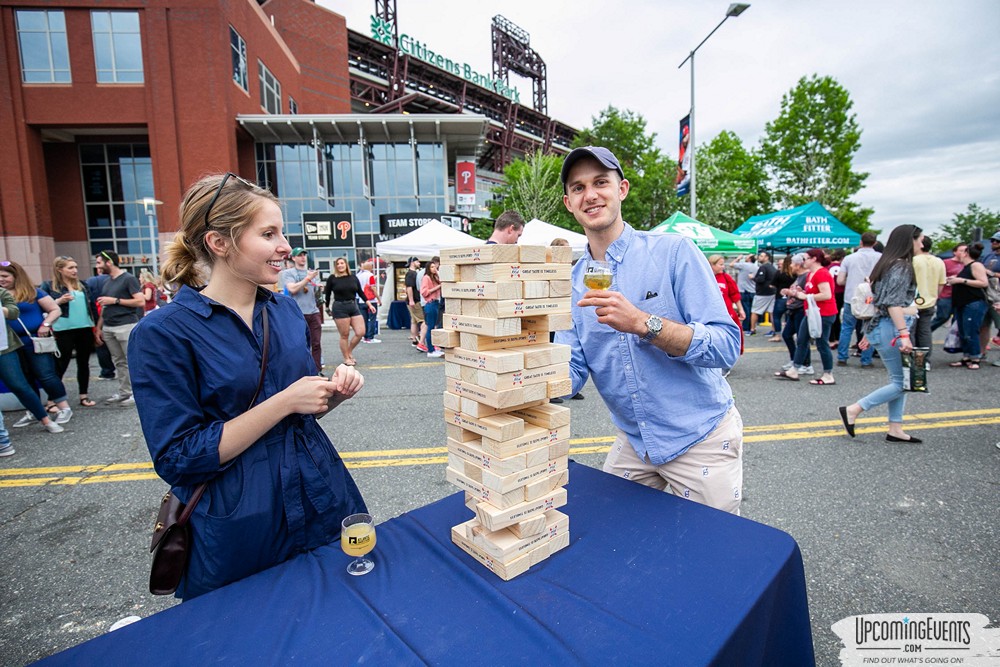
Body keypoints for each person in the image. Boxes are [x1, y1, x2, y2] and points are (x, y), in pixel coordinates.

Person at [128, 173, 368, 600]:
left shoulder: (285, 311)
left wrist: (331, 395)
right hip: (238, 518)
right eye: (269, 233)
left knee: (341, 611)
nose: (285, 245)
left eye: (283, 232)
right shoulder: (163, 332)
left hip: (319, 493)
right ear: (220, 242)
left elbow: (299, 405)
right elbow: (179, 457)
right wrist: (283, 402)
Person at [554, 146, 743, 514]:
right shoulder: (572, 282)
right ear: (568, 203)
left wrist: (644, 324)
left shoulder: (673, 252)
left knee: (710, 555)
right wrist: (511, 371)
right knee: (615, 540)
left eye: (600, 183)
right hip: (636, 442)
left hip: (700, 436)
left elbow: (725, 345)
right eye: (578, 188)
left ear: (621, 189)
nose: (590, 194)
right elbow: (572, 372)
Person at [839, 225, 924, 443]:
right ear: (909, 241)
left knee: (901, 379)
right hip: (894, 327)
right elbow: (892, 303)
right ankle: (855, 409)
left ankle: (895, 427)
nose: (921, 245)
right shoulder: (902, 266)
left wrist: (871, 333)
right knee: (905, 381)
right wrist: (904, 334)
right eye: (919, 240)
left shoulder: (886, 264)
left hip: (885, 326)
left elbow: (879, 301)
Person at [0, 261, 73, 428]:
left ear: (16, 276)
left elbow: (55, 309)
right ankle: (36, 411)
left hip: (34, 340)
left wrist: (45, 325)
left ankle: (64, 407)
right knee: (25, 379)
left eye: (5, 276)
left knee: (46, 374)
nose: (1, 279)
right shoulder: (1, 294)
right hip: (10, 344)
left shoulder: (33, 292)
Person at [1, 285, 63, 442]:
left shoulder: (2, 292)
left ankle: (45, 419)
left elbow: (14, 311)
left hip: (4, 347)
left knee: (19, 385)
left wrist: (3, 311)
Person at [773, 248, 837, 385]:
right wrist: (796, 293)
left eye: (806, 258)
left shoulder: (822, 273)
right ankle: (794, 370)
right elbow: (808, 292)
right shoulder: (811, 274)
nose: (804, 261)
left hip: (823, 313)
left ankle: (828, 374)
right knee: (802, 339)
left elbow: (827, 295)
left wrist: (806, 296)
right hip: (812, 312)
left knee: (822, 343)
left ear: (814, 259)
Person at [44, 256, 99, 407]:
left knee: (84, 363)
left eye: (75, 267)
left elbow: (93, 307)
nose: (75, 270)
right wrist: (59, 301)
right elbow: (43, 306)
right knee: (61, 365)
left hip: (85, 328)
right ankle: (52, 400)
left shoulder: (83, 285)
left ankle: (84, 395)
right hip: (63, 329)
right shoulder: (49, 286)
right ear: (59, 269)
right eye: (70, 268)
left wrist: (97, 327)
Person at [94, 250, 144, 404]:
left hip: (126, 325)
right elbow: (104, 306)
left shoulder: (128, 279)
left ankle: (137, 394)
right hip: (109, 327)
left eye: (99, 262)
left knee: (132, 361)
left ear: (109, 262)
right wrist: (99, 328)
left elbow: (140, 301)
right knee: (119, 362)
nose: (97, 266)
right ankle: (125, 392)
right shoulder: (107, 281)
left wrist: (115, 300)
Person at [836, 232, 881, 368]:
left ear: (861, 242)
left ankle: (842, 357)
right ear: (874, 243)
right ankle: (866, 359)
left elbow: (840, 280)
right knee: (869, 329)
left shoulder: (849, 258)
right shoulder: (881, 258)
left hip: (852, 297)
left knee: (847, 328)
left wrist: (851, 281)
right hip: (871, 297)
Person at [945, 242, 989, 369]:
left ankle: (975, 358)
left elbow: (983, 282)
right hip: (962, 303)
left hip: (974, 302)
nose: (958, 253)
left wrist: (961, 280)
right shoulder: (966, 267)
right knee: (963, 331)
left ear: (966, 253)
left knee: (971, 330)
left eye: (962, 251)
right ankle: (966, 357)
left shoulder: (976, 265)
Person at [324, 257, 374, 367]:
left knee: (361, 332)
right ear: (336, 266)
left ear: (346, 265)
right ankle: (346, 358)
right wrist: (327, 308)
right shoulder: (332, 278)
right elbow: (327, 294)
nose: (340, 265)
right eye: (338, 264)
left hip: (353, 306)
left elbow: (360, 292)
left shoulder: (353, 277)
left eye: (342, 263)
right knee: (344, 335)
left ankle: (349, 351)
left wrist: (369, 304)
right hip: (340, 307)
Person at [281, 248, 323, 372]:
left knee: (316, 344)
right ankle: (302, 371)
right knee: (301, 345)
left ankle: (316, 370)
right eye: (299, 255)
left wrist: (319, 289)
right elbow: (292, 289)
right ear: (293, 258)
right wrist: (308, 279)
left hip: (313, 311)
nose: (303, 257)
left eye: (304, 255)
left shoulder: (312, 273)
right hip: (298, 313)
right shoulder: (289, 273)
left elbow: (316, 295)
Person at [911, 236, 946, 362]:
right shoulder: (939, 261)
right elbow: (941, 283)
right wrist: (935, 296)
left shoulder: (913, 261)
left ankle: (912, 359)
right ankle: (925, 360)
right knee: (925, 331)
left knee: (910, 331)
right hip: (930, 300)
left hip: (912, 302)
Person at [778, 254, 812, 374]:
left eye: (792, 263)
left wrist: (790, 292)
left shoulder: (806, 276)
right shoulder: (799, 276)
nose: (791, 266)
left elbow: (805, 293)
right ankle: (795, 360)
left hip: (800, 309)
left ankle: (806, 364)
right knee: (787, 334)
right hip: (794, 309)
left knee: (802, 338)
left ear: (798, 265)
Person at [709, 254, 745, 360]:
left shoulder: (726, 277)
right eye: (720, 264)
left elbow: (735, 294)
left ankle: (730, 359)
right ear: (712, 265)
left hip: (728, 313)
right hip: (712, 314)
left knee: (733, 335)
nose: (723, 267)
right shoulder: (706, 278)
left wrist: (741, 309)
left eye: (723, 264)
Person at [84, 260, 116, 380]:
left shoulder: (93, 281)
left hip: (99, 317)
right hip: (112, 318)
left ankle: (107, 371)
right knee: (122, 356)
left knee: (101, 346)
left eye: (98, 263)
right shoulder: (115, 280)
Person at [930, 247, 964, 332]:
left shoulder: (966, 264)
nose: (964, 253)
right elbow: (936, 277)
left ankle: (953, 341)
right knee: (943, 317)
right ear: (954, 252)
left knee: (957, 320)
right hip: (946, 295)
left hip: (960, 296)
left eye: (966, 251)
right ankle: (924, 332)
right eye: (961, 250)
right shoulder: (946, 263)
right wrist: (948, 279)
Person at [749, 250, 777, 337]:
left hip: (762, 293)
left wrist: (753, 278)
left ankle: (752, 330)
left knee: (754, 311)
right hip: (772, 292)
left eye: (761, 256)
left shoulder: (763, 267)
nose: (759, 257)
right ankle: (774, 330)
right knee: (772, 312)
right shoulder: (772, 267)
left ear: (766, 257)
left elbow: (760, 279)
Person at [770, 255, 798, 343]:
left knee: (776, 316)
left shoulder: (779, 273)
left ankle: (777, 335)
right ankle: (794, 333)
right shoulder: (796, 274)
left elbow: (772, 284)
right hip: (794, 298)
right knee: (791, 316)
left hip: (781, 297)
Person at [421, 257, 444, 358]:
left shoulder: (434, 277)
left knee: (433, 327)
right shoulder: (426, 278)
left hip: (435, 303)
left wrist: (438, 274)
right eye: (432, 267)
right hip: (430, 303)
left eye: (435, 267)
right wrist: (438, 287)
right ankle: (430, 350)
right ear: (428, 268)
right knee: (430, 327)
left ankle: (433, 348)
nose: (435, 268)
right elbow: (424, 292)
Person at [728, 254, 757, 333]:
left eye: (747, 256)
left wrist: (738, 258)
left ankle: (746, 327)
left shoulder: (744, 265)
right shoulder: (756, 267)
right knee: (752, 310)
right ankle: (752, 326)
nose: (745, 257)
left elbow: (731, 264)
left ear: (750, 259)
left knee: (745, 309)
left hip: (744, 290)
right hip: (753, 290)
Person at [355, 260, 381, 344]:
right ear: (370, 268)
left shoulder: (358, 276)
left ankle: (365, 336)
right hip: (371, 300)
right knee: (372, 319)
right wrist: (379, 299)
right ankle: (370, 337)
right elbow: (373, 288)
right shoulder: (370, 276)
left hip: (361, 300)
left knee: (364, 319)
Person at [404, 257, 426, 351]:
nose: (419, 263)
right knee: (423, 320)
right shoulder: (410, 273)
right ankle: (421, 341)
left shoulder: (413, 273)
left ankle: (414, 339)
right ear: (412, 262)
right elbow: (409, 287)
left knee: (414, 321)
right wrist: (411, 300)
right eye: (417, 261)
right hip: (415, 301)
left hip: (412, 300)